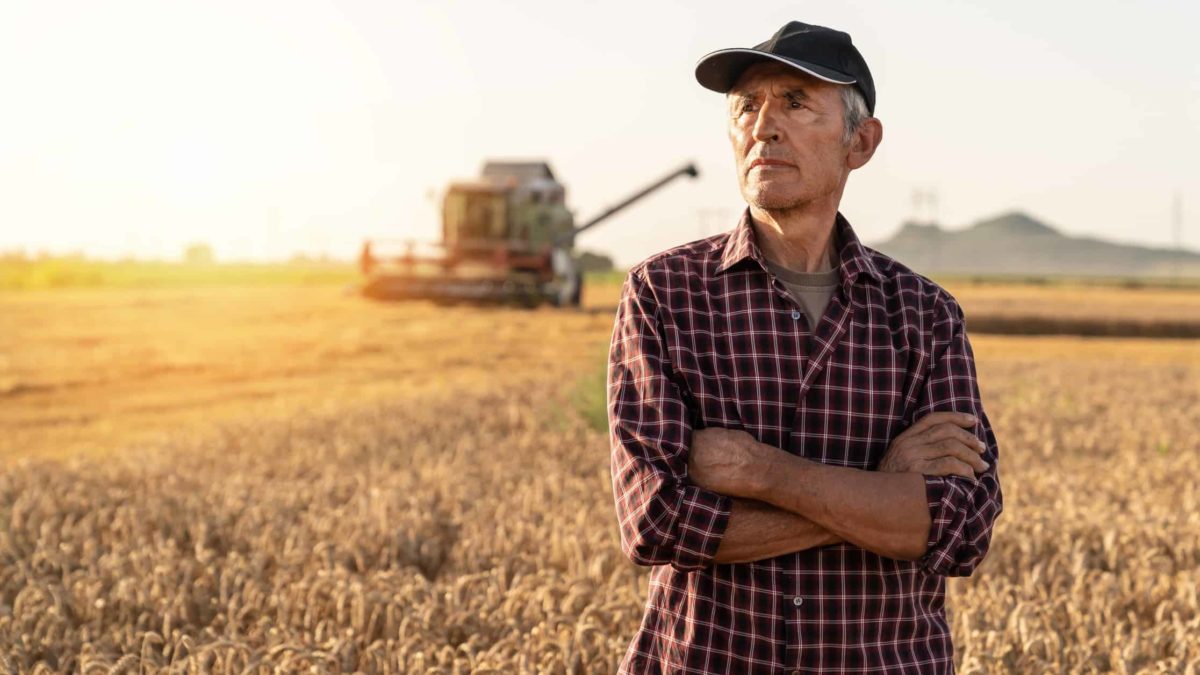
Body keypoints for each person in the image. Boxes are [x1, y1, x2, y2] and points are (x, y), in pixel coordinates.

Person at [607, 21, 1003, 674]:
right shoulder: (665, 294)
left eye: (794, 102)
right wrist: (884, 491)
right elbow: (658, 520)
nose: (763, 126)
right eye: (746, 105)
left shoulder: (925, 315)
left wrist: (764, 474)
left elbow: (958, 530)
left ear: (861, 141)